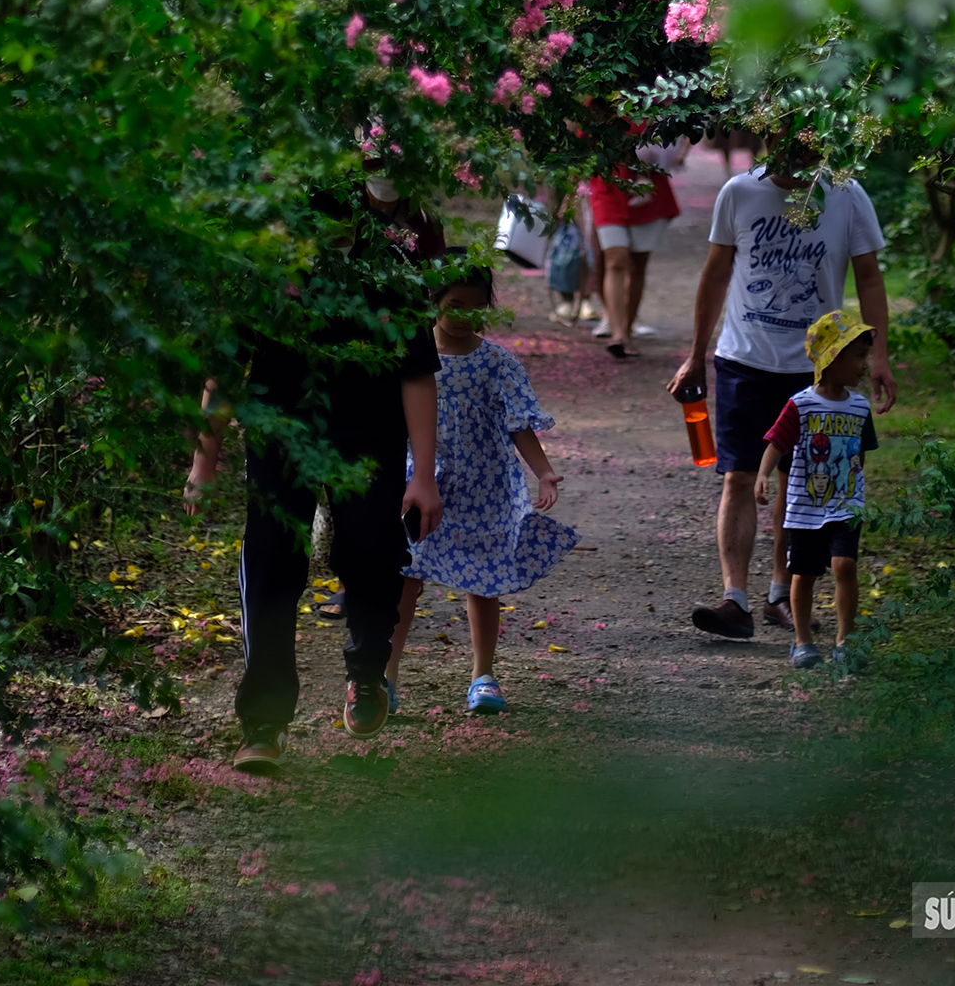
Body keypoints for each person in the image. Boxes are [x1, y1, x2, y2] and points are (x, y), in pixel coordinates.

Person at [185, 176, 444, 774]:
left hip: (370, 442)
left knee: (372, 557)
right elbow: (225, 367)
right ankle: (264, 723)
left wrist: (422, 473)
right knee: (273, 561)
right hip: (282, 438)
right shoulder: (265, 265)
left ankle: (367, 674)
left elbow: (415, 373)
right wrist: (205, 461)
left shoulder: (390, 270)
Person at [668, 135, 896, 640]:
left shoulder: (847, 195)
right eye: (784, 145)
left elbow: (870, 279)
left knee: (801, 486)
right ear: (767, 138)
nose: (795, 161)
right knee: (739, 476)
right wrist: (695, 356)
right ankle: (735, 600)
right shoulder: (738, 192)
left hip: (815, 369)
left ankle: (780, 595)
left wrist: (877, 355)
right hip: (743, 360)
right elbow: (715, 275)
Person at [385, 259, 577, 715]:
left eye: (476, 307)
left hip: (483, 484)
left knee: (483, 581)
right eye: (454, 305)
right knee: (406, 576)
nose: (464, 315)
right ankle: (384, 674)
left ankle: (482, 675)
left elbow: (518, 424)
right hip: (423, 479)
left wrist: (544, 471)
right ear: (433, 302)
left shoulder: (495, 362)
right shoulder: (409, 357)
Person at [755, 312, 878, 668]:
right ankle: (802, 641)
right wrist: (763, 475)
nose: (864, 366)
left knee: (845, 565)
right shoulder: (801, 404)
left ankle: (845, 641)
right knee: (803, 574)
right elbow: (777, 443)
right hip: (804, 506)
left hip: (846, 505)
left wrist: (853, 491)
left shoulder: (859, 407)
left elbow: (860, 452)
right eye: (858, 356)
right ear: (833, 357)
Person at [588, 136, 686, 358]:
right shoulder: (597, 105)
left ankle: (627, 327)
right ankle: (618, 333)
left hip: (648, 189)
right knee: (615, 259)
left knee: (637, 264)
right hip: (608, 188)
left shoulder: (656, 105)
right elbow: (579, 140)